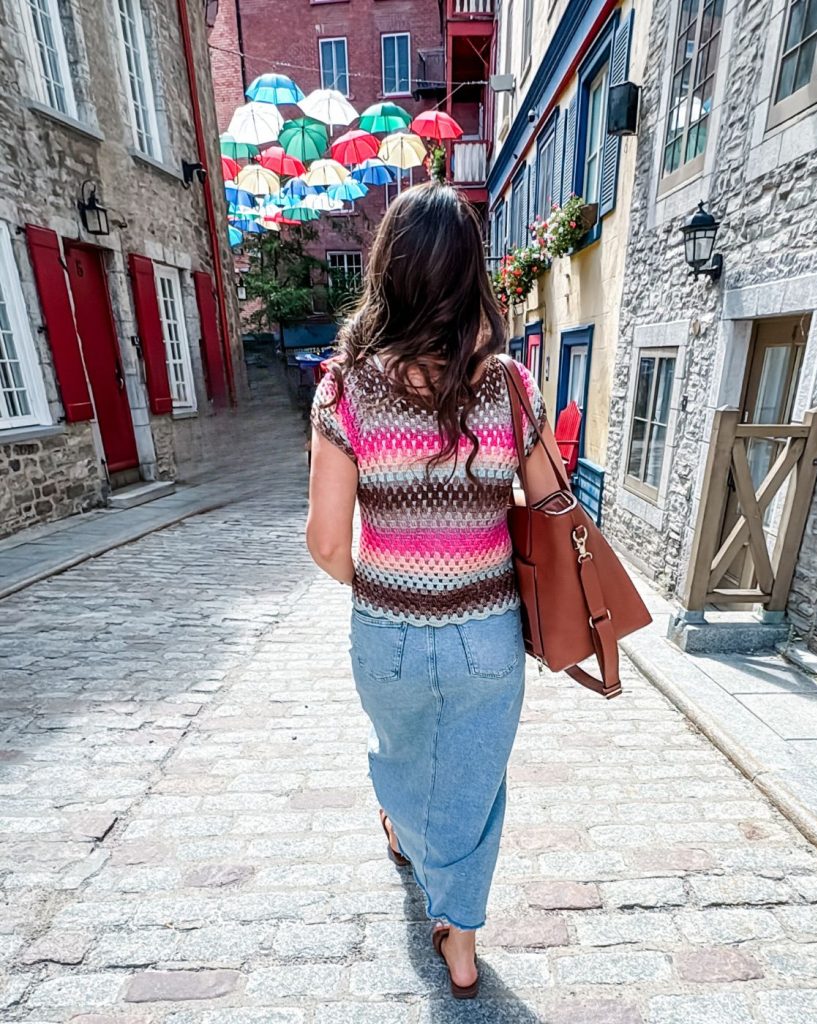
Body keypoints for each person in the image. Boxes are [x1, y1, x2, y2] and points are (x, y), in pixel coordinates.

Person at [306, 181, 568, 999]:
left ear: (389, 271)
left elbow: (323, 543)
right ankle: (461, 933)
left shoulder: (343, 390)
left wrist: (385, 585)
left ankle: (409, 842)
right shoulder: (510, 387)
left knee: (401, 756)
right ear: (470, 279)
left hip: (384, 632)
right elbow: (557, 504)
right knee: (473, 782)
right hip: (487, 634)